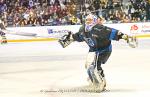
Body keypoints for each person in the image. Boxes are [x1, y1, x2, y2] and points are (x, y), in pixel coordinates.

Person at [59, 13, 136, 91]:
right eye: (87, 20)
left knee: (94, 66)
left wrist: (126, 37)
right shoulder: (82, 29)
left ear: (95, 21)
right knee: (88, 66)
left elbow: (113, 33)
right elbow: (79, 36)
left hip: (105, 50)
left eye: (90, 20)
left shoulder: (99, 29)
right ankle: (94, 79)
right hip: (93, 51)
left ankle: (101, 81)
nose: (88, 22)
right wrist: (70, 38)